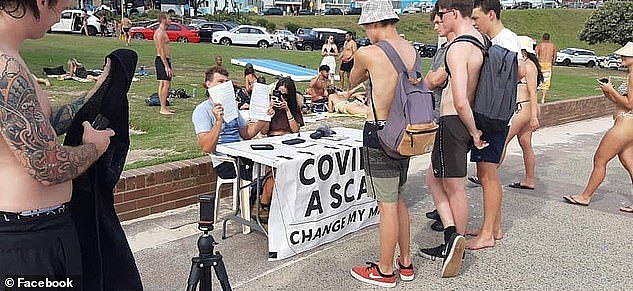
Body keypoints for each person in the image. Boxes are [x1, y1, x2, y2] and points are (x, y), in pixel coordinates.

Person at [0, 0, 115, 278]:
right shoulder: (6, 68)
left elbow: (36, 127)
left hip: (36, 232)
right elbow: (47, 167)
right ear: (41, 2)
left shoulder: (11, 58)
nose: (58, 19)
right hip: (28, 241)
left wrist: (93, 95)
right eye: (61, 9)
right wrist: (94, 147)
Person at [348, 1, 419, 286]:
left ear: (376, 24)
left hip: (380, 132)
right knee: (399, 198)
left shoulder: (367, 53)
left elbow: (352, 79)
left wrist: (352, 57)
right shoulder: (411, 50)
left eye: (366, 26)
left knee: (387, 204)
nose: (365, 31)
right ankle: (406, 261)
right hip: (406, 132)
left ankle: (385, 270)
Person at [418, 0, 487, 278]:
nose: (439, 21)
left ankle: (454, 240)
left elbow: (459, 100)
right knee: (435, 178)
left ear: (454, 13)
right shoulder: (480, 41)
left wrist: (473, 132)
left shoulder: (458, 48)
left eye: (441, 16)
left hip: (454, 120)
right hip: (466, 121)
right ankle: (451, 235)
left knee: (453, 186)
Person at [467, 0, 523, 250]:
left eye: (477, 18)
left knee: (487, 174)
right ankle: (494, 227)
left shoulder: (504, 42)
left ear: (491, 14)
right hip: (497, 116)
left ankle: (487, 234)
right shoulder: (505, 40)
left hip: (493, 117)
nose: (474, 23)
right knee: (487, 173)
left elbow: (521, 71)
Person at [563, 42, 633, 213]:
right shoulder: (630, 74)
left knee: (599, 159)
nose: (622, 57)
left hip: (625, 123)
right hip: (625, 122)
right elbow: (620, 101)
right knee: (629, 163)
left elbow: (630, 104)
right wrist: (608, 92)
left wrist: (611, 90)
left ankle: (585, 196)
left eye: (626, 56)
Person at [192, 65, 273, 182]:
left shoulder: (231, 106)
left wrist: (264, 117)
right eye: (220, 82)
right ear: (208, 84)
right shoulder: (202, 110)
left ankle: (257, 198)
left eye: (226, 82)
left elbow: (246, 134)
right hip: (225, 160)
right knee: (262, 175)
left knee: (271, 168)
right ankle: (253, 197)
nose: (224, 85)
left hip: (240, 153)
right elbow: (206, 147)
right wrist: (218, 122)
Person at [418, 3, 456, 243]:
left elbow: (435, 79)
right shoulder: (450, 46)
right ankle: (444, 213)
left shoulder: (449, 49)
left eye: (438, 20)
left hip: (444, 114)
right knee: (439, 169)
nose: (435, 24)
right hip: (444, 112)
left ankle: (449, 224)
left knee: (438, 172)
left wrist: (423, 83)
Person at [498, 36, 542, 190]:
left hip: (522, 108)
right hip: (525, 108)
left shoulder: (528, 67)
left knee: (503, 141)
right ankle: (529, 179)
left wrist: (534, 117)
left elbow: (532, 92)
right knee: (525, 144)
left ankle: (488, 173)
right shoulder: (527, 65)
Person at [154, 12, 174, 115]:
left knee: (163, 83)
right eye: (169, 19)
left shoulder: (162, 31)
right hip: (162, 60)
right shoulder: (160, 33)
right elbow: (161, 50)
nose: (170, 20)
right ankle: (163, 108)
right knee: (166, 84)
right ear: (163, 20)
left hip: (164, 60)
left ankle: (163, 106)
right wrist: (166, 66)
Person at [535, 32, 556, 103]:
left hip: (540, 64)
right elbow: (555, 56)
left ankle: (534, 97)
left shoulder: (540, 45)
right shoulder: (552, 46)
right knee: (546, 82)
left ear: (543, 38)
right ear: (549, 38)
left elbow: (536, 54)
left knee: (538, 80)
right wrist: (552, 62)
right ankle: (543, 98)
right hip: (548, 64)